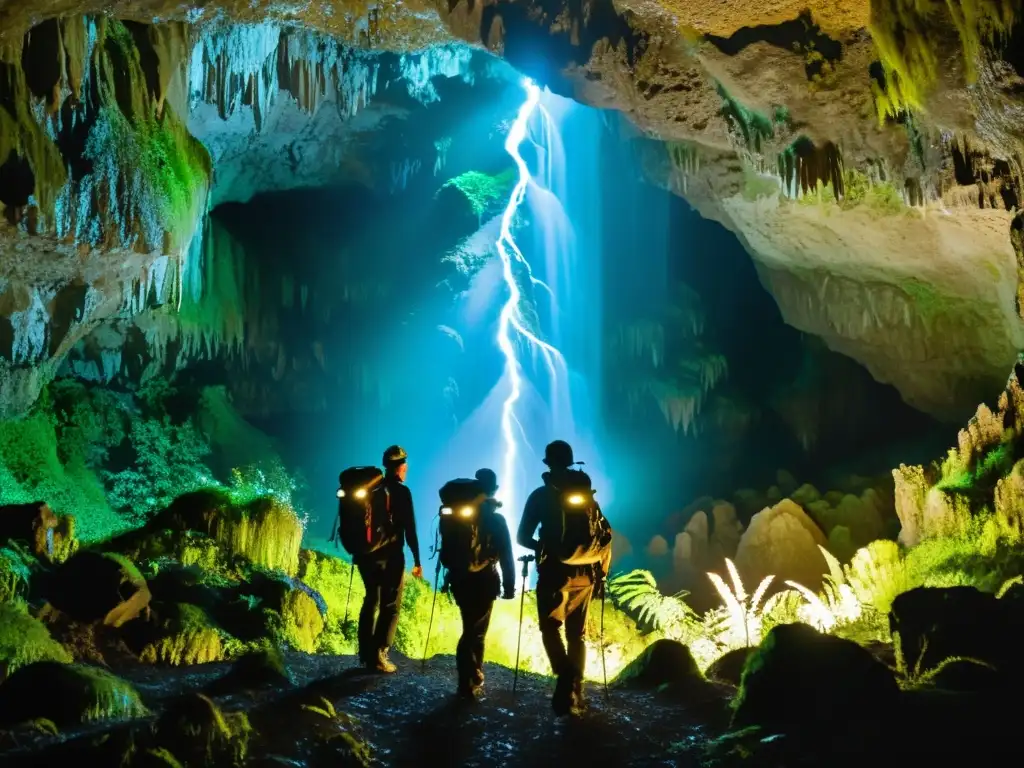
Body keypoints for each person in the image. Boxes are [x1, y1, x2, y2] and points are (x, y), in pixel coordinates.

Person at [517, 440, 612, 716]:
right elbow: (604, 534)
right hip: (587, 574)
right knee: (577, 636)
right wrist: (601, 574)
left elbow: (522, 537)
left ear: (548, 463)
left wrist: (543, 548)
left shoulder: (539, 496)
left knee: (550, 629)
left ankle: (565, 676)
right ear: (570, 462)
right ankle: (577, 692)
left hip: (554, 573)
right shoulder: (587, 496)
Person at [443, 468, 516, 698]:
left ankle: (472, 676)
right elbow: (506, 555)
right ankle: (469, 680)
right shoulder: (496, 519)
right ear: (493, 489)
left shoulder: (455, 514)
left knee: (470, 626)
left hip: (459, 579)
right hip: (485, 580)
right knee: (476, 632)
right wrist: (510, 586)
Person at [356, 444, 422, 673]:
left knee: (371, 599)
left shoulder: (372, 489)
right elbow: (410, 529)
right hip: (391, 556)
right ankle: (379, 655)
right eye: (405, 465)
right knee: (390, 605)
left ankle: (365, 652)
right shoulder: (402, 492)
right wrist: (417, 560)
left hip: (366, 556)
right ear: (401, 467)